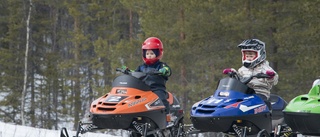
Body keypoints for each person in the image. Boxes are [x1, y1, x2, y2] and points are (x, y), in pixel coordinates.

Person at [134, 37, 172, 116]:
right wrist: (128, 72)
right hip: (143, 89)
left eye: (152, 54)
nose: (149, 56)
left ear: (158, 54)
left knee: (161, 99)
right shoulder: (141, 67)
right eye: (147, 54)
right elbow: (135, 73)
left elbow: (167, 70)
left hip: (156, 88)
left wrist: (163, 71)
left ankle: (167, 116)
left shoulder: (161, 65)